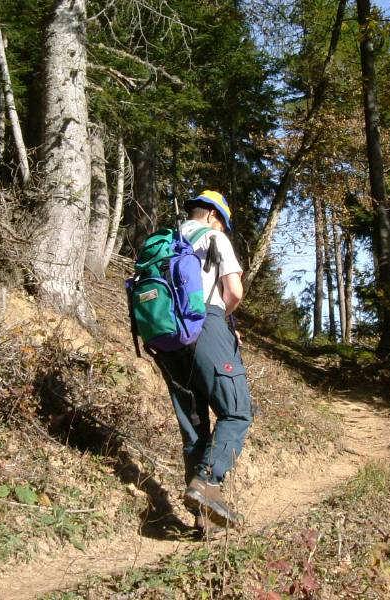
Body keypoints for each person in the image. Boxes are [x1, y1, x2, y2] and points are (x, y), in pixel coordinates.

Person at [153, 190, 253, 536]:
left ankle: (205, 521)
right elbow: (235, 291)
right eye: (223, 220)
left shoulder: (164, 241)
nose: (223, 226)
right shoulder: (214, 237)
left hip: (167, 338)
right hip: (205, 323)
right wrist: (222, 320)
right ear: (212, 214)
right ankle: (207, 483)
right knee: (237, 411)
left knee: (195, 424)